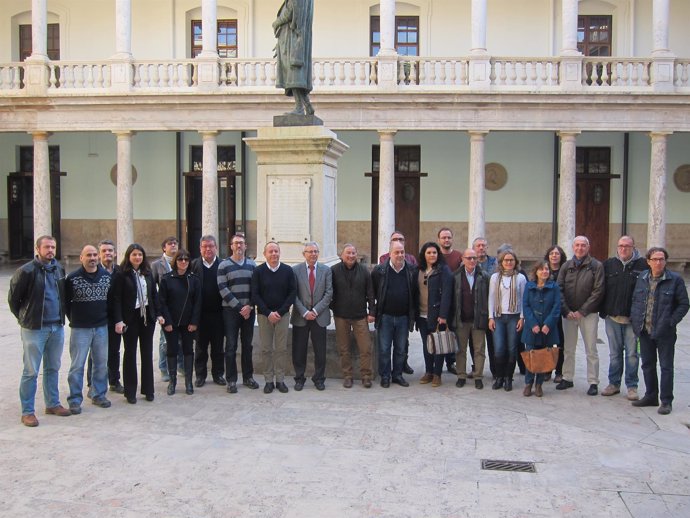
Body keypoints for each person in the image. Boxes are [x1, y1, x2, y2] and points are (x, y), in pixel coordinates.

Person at [9, 235, 70, 427]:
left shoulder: (58, 269)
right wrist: (25, 318)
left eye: (53, 247)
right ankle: (27, 411)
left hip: (56, 327)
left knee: (53, 367)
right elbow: (14, 300)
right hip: (34, 328)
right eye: (47, 247)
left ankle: (52, 404)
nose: (50, 250)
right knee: (31, 371)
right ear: (38, 249)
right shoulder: (26, 271)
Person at [630, 247, 689, 415]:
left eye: (661, 259)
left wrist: (671, 321)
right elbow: (636, 300)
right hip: (644, 330)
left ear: (665, 261)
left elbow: (684, 304)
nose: (658, 262)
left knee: (666, 367)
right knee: (647, 365)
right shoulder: (642, 277)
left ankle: (666, 400)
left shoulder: (675, 280)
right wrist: (636, 321)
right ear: (648, 261)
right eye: (654, 259)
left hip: (665, 332)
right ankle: (651, 395)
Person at [110, 243, 164, 404]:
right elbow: (116, 299)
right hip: (130, 317)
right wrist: (118, 320)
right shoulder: (121, 274)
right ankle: (130, 391)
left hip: (146, 317)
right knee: (130, 353)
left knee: (147, 354)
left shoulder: (147, 273)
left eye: (140, 255)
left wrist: (158, 314)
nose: (137, 257)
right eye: (134, 255)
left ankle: (148, 390)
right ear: (128, 256)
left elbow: (154, 295)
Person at [65, 244, 112, 414]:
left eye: (94, 255)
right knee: (77, 365)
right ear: (81, 258)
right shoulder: (72, 278)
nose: (92, 258)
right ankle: (75, 399)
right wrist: (76, 320)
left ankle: (98, 394)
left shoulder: (106, 277)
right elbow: (66, 304)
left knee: (100, 364)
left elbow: (111, 302)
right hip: (80, 329)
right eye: (88, 255)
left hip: (101, 327)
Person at [599, 236, 648, 401]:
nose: (624, 249)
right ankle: (613, 384)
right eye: (621, 246)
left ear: (633, 247)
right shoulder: (609, 265)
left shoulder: (643, 266)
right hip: (612, 318)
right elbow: (601, 288)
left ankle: (632, 386)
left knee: (633, 354)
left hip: (633, 320)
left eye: (627, 246)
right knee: (614, 353)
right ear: (617, 247)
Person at [556, 236, 605, 395]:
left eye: (583, 245)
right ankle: (567, 378)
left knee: (591, 349)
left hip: (588, 314)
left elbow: (598, 291)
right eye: (577, 245)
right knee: (568, 348)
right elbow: (559, 289)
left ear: (588, 247)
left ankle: (593, 381)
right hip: (569, 315)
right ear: (573, 247)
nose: (580, 248)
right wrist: (566, 310)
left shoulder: (596, 266)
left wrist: (582, 311)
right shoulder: (566, 266)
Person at [372, 240, 418, 388]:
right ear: (390, 253)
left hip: (403, 318)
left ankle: (397, 375)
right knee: (384, 349)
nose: (400, 255)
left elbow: (415, 294)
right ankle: (385, 376)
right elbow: (372, 292)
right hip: (385, 316)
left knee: (400, 349)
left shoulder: (412, 271)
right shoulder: (379, 271)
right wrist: (372, 312)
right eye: (396, 252)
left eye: (402, 252)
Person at [251, 242, 297, 394]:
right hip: (264, 316)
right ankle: (268, 380)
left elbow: (292, 293)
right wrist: (268, 312)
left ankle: (280, 380)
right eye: (270, 251)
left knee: (281, 349)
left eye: (276, 251)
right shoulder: (258, 271)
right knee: (266, 349)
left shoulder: (287, 271)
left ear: (280, 253)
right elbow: (255, 294)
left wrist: (281, 311)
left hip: (282, 316)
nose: (274, 254)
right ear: (265, 254)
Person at [217, 233, 260, 394]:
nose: (239, 246)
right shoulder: (223, 265)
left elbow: (256, 289)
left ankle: (248, 377)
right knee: (231, 346)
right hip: (230, 312)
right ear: (231, 246)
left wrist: (249, 306)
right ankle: (231, 380)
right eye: (236, 243)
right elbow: (223, 288)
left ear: (246, 246)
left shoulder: (252, 265)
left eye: (241, 243)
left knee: (247, 346)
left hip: (248, 312)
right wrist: (239, 307)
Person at [330, 244, 375, 388]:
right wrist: (334, 307)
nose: (351, 256)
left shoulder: (364, 271)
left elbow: (370, 293)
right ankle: (347, 376)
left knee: (365, 348)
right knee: (344, 349)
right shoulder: (334, 271)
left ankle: (366, 376)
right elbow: (330, 292)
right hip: (341, 316)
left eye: (353, 253)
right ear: (342, 255)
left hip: (360, 316)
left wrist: (372, 312)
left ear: (356, 255)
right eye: (348, 253)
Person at [159, 249, 202, 396]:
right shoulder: (166, 279)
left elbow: (197, 302)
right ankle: (172, 382)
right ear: (175, 261)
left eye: (186, 259)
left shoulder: (194, 279)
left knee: (188, 350)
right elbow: (162, 302)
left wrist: (194, 321)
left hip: (188, 323)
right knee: (172, 350)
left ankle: (189, 382)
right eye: (180, 259)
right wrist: (167, 322)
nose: (183, 262)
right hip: (171, 322)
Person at [291, 242, 333, 391]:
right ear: (304, 254)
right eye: (310, 252)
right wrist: (304, 312)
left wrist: (315, 311)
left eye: (315, 251)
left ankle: (319, 378)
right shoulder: (295, 270)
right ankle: (299, 378)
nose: (313, 254)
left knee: (320, 351)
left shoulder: (326, 270)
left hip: (319, 317)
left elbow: (329, 294)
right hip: (300, 317)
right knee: (299, 350)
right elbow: (293, 294)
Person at [488, 249, 526, 392]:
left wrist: (522, 317)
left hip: (514, 317)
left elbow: (523, 299)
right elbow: (491, 298)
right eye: (506, 260)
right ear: (501, 262)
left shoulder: (521, 278)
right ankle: (499, 377)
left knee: (511, 349)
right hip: (498, 317)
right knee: (498, 349)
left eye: (511, 260)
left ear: (515, 262)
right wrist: (490, 317)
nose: (509, 262)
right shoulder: (494, 277)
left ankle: (508, 378)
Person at [416, 242, 453, 387]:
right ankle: (428, 371)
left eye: (434, 253)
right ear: (423, 255)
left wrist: (443, 315)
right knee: (427, 345)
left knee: (438, 345)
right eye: (429, 253)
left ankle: (437, 374)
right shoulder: (418, 270)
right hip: (422, 314)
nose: (432, 255)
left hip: (437, 315)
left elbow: (447, 294)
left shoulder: (444, 270)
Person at [521, 260, 561, 398]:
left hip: (547, 329)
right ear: (536, 272)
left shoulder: (554, 287)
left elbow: (557, 307)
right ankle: (528, 383)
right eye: (541, 269)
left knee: (544, 356)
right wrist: (533, 324)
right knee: (530, 355)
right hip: (532, 328)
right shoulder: (529, 286)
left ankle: (539, 384)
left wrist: (548, 324)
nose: (544, 271)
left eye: (547, 269)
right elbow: (525, 306)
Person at [452, 248, 490, 390]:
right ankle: (461, 375)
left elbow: (488, 297)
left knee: (479, 349)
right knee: (460, 350)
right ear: (463, 259)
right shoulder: (455, 276)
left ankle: (478, 376)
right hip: (461, 320)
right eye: (469, 258)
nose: (472, 261)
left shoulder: (484, 276)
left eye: (474, 258)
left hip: (478, 319)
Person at [191, 235, 226, 387]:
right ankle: (200, 375)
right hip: (200, 315)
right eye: (205, 246)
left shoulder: (223, 265)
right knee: (200, 348)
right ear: (200, 248)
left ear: (216, 248)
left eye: (211, 246)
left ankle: (218, 374)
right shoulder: (193, 265)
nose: (208, 249)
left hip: (219, 314)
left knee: (218, 347)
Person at [273, 0, 315, 116]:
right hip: (291, 40)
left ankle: (299, 108)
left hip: (294, 40)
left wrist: (276, 23)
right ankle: (307, 105)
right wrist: (280, 45)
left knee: (294, 75)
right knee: (295, 75)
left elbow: (292, 11)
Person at [151, 236, 179, 382]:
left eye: (175, 243)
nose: (173, 246)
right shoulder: (157, 265)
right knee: (165, 340)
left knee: (179, 338)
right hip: (164, 306)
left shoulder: (182, 261)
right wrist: (158, 311)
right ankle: (163, 368)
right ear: (164, 247)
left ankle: (179, 365)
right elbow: (152, 288)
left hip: (179, 307)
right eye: (170, 244)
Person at [99, 239, 124, 394]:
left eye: (110, 251)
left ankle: (114, 381)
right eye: (104, 251)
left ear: (115, 253)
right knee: (96, 353)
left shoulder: (120, 271)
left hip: (115, 318)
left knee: (114, 351)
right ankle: (93, 384)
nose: (107, 253)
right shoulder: (94, 270)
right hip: (98, 318)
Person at [436, 227, 461, 374]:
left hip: (455, 301)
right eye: (443, 237)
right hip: (437, 301)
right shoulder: (435, 255)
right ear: (439, 240)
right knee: (438, 333)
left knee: (452, 333)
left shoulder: (459, 256)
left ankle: (451, 362)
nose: (446, 240)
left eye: (449, 237)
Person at [544, 245, 567, 383]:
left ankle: (559, 371)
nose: (554, 256)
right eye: (552, 253)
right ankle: (547, 370)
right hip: (546, 312)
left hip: (561, 312)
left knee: (560, 343)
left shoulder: (566, 270)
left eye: (557, 254)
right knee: (547, 342)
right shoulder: (543, 269)